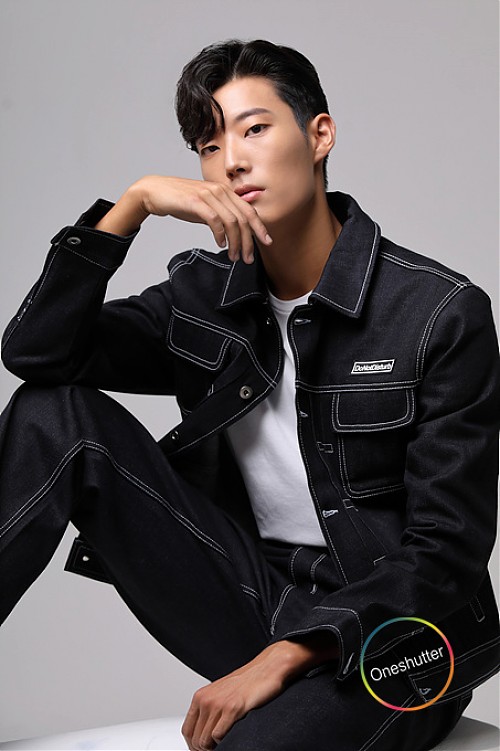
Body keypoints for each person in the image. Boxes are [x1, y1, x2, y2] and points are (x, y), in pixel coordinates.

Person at [0, 38, 499, 751]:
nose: (231, 161)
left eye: (254, 128)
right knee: (53, 414)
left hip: (402, 638)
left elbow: (447, 553)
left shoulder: (438, 313)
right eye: (209, 145)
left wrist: (288, 654)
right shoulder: (203, 295)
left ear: (319, 135)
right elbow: (38, 355)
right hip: (258, 597)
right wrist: (131, 207)